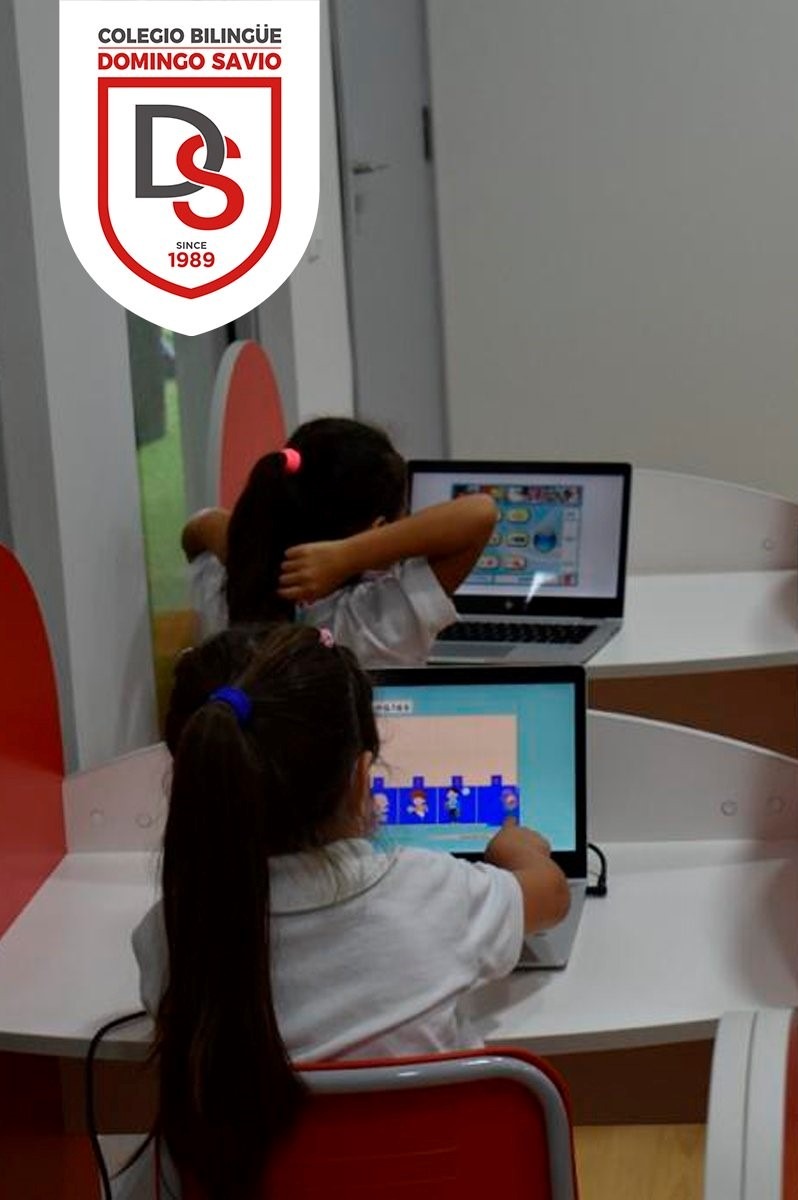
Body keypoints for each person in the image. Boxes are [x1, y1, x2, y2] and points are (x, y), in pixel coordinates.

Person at [121, 625, 570, 1198]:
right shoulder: (430, 891)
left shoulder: (171, 934)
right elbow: (550, 895)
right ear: (361, 779)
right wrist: (514, 849)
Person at [181, 417, 497, 666]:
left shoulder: (219, 583)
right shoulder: (372, 621)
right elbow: (480, 513)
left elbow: (199, 526)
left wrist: (245, 551)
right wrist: (346, 556)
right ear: (378, 529)